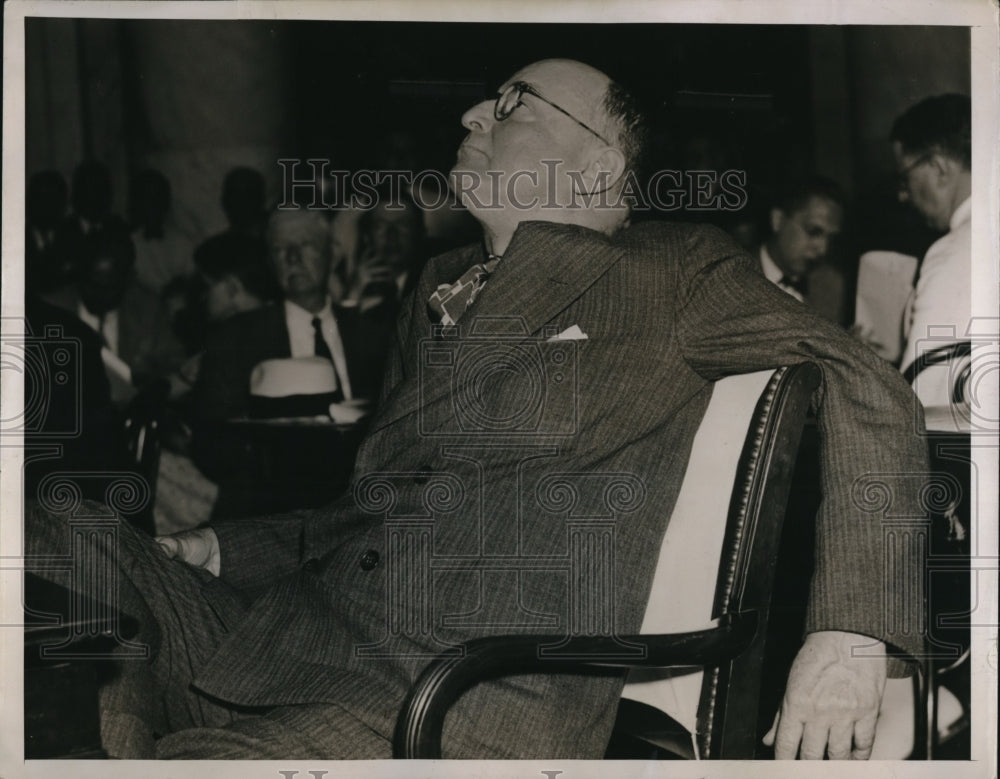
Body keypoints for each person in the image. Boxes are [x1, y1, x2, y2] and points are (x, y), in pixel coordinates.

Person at [27, 59, 928, 760]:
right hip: (292, 636)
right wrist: (228, 546)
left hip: (447, 697)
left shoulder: (672, 270)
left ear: (596, 168)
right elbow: (373, 507)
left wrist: (854, 630)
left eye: (513, 105)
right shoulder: (438, 283)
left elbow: (863, 379)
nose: (470, 115)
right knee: (54, 530)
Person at [890, 94, 971, 406]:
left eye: (904, 177)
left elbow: (922, 402)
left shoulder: (956, 252)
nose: (902, 195)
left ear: (939, 167)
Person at [758, 176, 845, 307]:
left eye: (831, 238)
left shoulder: (831, 285)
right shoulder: (731, 275)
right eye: (813, 232)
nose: (823, 249)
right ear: (778, 220)